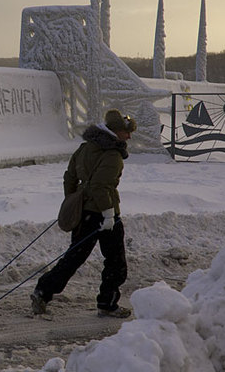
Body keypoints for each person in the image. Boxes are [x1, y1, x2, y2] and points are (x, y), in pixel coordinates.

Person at [31, 109, 136, 318]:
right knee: (116, 262)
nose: (129, 137)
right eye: (127, 132)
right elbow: (100, 186)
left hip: (85, 213)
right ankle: (107, 303)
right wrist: (108, 215)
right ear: (116, 132)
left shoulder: (84, 148)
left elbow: (70, 177)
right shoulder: (113, 155)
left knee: (73, 258)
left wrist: (74, 201)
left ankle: (43, 291)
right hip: (104, 214)